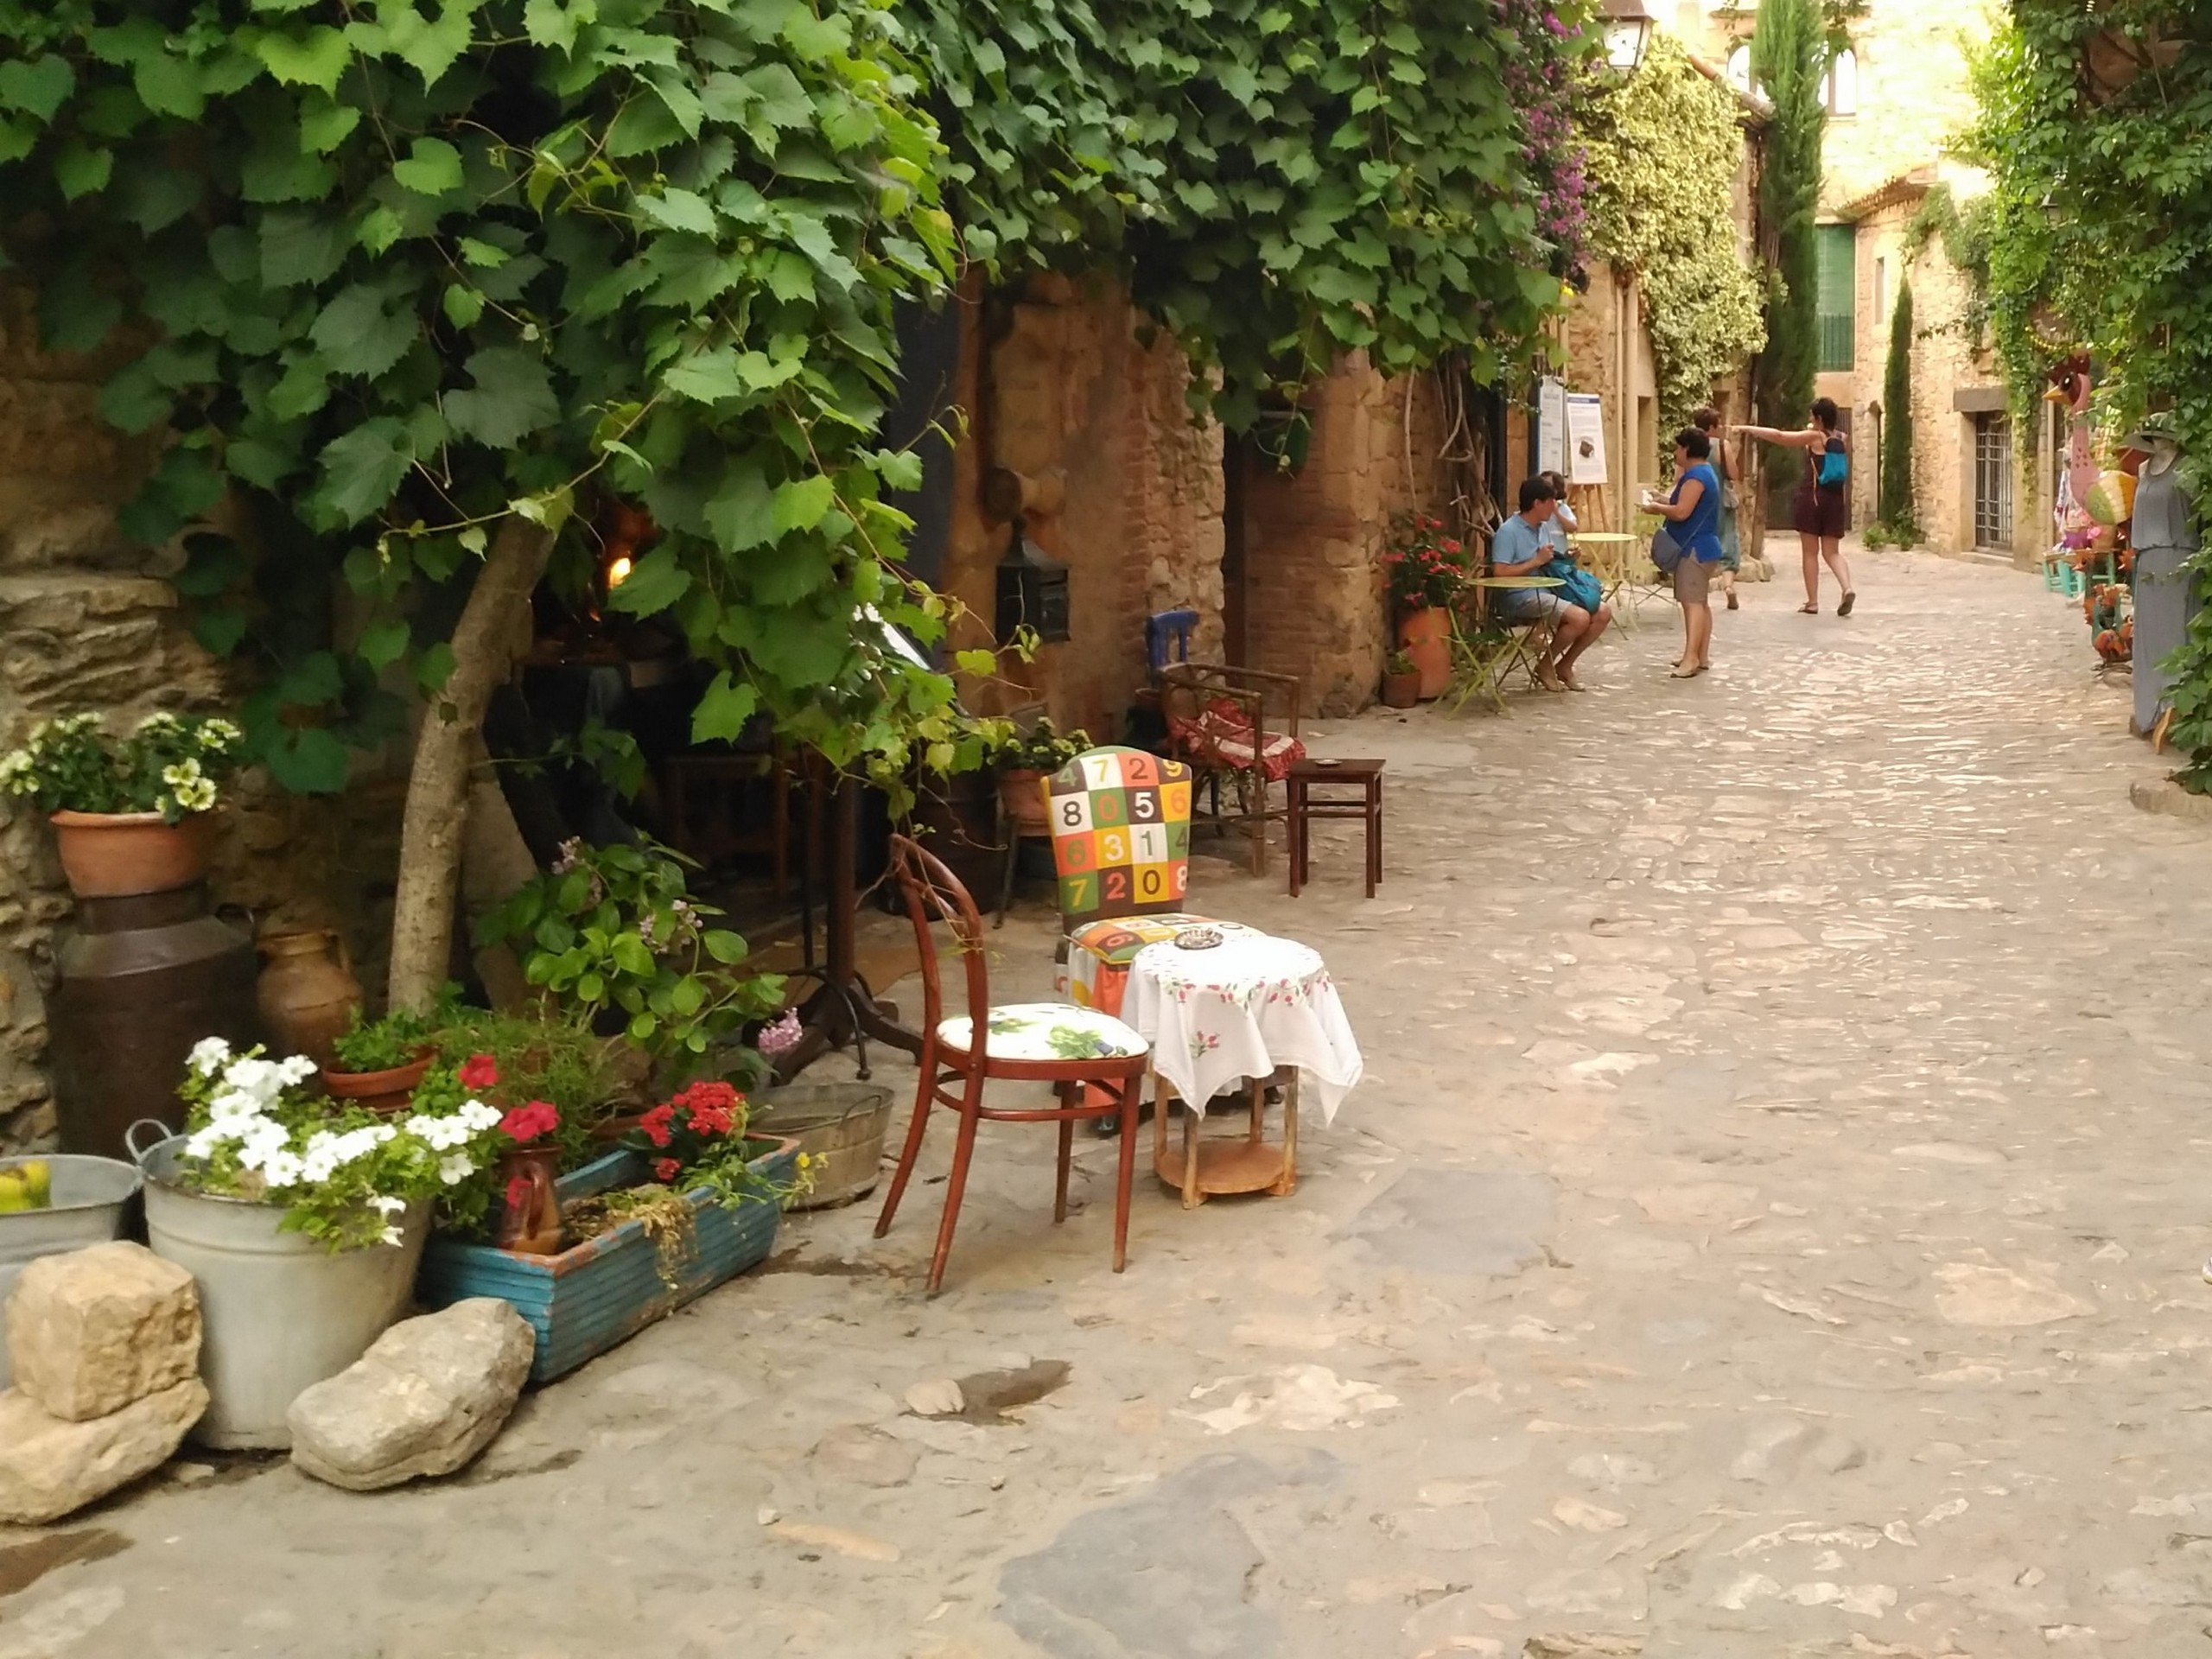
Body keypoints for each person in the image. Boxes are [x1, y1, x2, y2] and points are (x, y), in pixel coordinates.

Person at [1490, 474, 1612, 692]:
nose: (1554, 508)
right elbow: (1499, 573)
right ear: (1537, 503)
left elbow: (1547, 560)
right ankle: (1546, 666)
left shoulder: (1542, 527)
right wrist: (1535, 561)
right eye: (1551, 502)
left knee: (1602, 611)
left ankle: (1564, 666)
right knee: (1579, 618)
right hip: (1519, 595)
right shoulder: (1509, 531)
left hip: (1547, 588)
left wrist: (1565, 556)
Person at [1736, 397, 1855, 616]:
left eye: (1812, 415)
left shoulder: (1814, 437)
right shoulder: (1843, 438)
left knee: (1810, 552)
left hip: (1813, 498)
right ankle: (1847, 588)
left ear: (1818, 418)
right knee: (1832, 552)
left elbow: (1780, 436)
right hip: (1835, 500)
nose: (1809, 419)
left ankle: (1812, 602)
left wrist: (1748, 429)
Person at [1640, 429, 1726, 678]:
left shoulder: (1696, 476)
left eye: (1678, 448)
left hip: (1695, 549)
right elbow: (1685, 504)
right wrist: (1663, 498)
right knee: (1700, 603)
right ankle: (1701, 654)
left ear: (1688, 449)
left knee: (1692, 603)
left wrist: (1655, 507)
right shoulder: (1703, 473)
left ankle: (1691, 658)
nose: (1676, 452)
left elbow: (1682, 512)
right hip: (1704, 546)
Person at [1692, 407, 1741, 611]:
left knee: (1702, 544)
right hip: (1720, 500)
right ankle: (1728, 586)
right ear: (1711, 427)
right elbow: (1733, 473)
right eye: (1718, 424)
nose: (1721, 428)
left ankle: (1699, 589)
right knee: (1728, 543)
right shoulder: (1722, 446)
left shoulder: (1690, 445)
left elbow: (1679, 476)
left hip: (1696, 501)